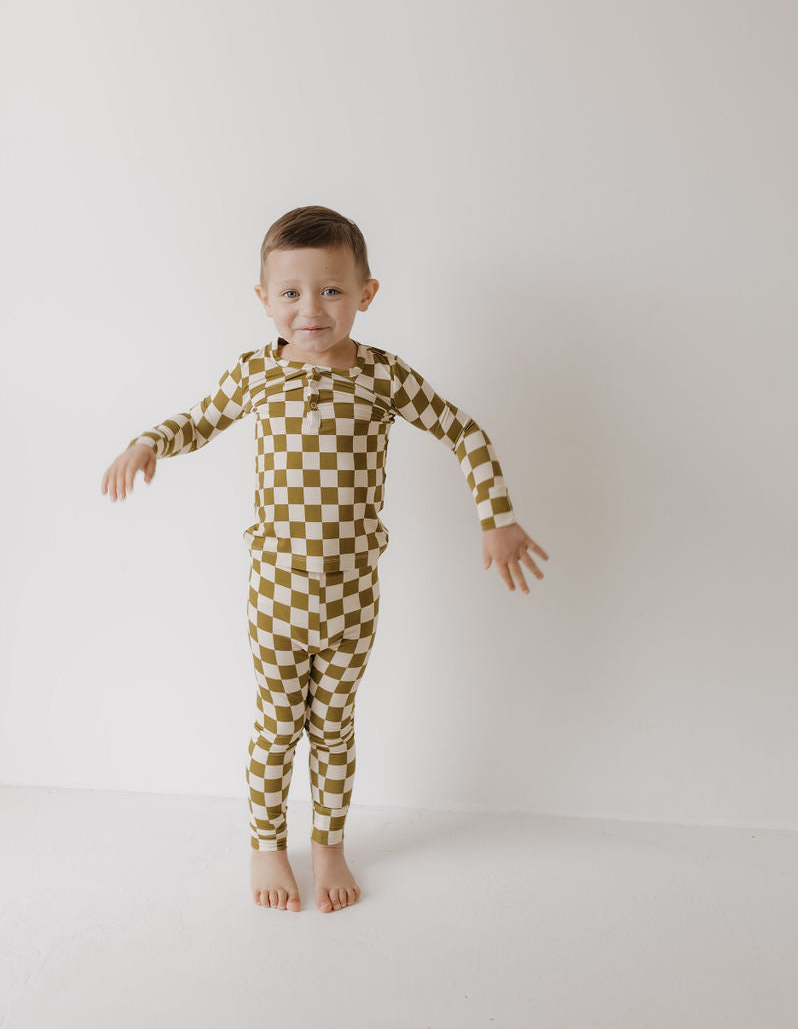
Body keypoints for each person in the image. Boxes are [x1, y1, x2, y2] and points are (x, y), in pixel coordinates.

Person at [100, 205, 549, 915]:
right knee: (278, 722)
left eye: (332, 291)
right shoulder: (255, 374)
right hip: (276, 592)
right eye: (291, 293)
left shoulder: (381, 377)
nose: (311, 310)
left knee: (334, 724)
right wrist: (148, 441)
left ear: (366, 294)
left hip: (351, 595)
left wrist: (497, 518)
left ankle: (331, 843)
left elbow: (463, 431)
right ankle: (267, 844)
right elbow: (200, 418)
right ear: (264, 301)